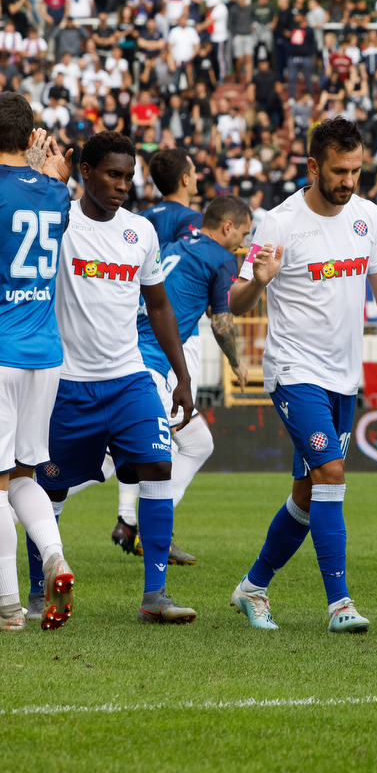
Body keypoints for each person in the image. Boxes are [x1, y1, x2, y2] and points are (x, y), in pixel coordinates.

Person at [228, 118, 377, 634]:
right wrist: (259, 282)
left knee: (308, 494)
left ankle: (252, 588)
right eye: (339, 171)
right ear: (313, 167)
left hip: (343, 376)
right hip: (293, 370)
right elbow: (236, 299)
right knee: (332, 474)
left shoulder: (368, 217)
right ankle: (340, 604)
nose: (349, 181)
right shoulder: (278, 223)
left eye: (356, 170)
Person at [18, 131, 199, 625]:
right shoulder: (57, 221)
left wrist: (181, 376)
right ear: (85, 172)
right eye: (112, 174)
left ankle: (155, 595)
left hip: (129, 380)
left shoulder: (140, 231)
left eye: (128, 177)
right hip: (66, 385)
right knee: (47, 489)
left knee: (158, 468)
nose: (121, 185)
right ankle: (38, 593)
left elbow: (159, 305)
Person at [113, 195, 254, 566]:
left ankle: (146, 524)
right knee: (98, 465)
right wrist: (238, 364)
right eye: (242, 233)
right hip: (145, 369)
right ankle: (149, 526)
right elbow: (221, 322)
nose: (242, 242)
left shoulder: (176, 244)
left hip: (127, 357)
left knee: (195, 442)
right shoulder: (221, 258)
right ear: (227, 227)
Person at [0, 98, 72, 629]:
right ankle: (54, 557)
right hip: (45, 354)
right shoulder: (55, 192)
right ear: (31, 136)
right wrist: (43, 168)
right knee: (24, 474)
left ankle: (7, 608)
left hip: (1, 351)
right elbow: (47, 185)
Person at [141, 147, 203, 245]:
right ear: (185, 179)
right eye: (194, 172)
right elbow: (187, 258)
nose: (196, 176)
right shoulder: (192, 218)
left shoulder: (140, 218)